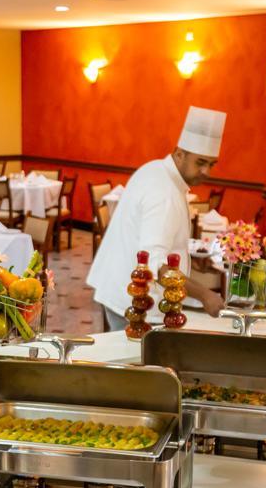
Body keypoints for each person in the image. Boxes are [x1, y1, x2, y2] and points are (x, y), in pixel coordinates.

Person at [86, 106, 228, 330]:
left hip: (120, 288)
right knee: (135, 363)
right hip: (134, 303)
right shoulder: (164, 193)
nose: (206, 172)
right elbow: (154, 264)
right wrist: (205, 295)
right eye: (200, 162)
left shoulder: (155, 169)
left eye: (211, 164)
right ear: (179, 153)